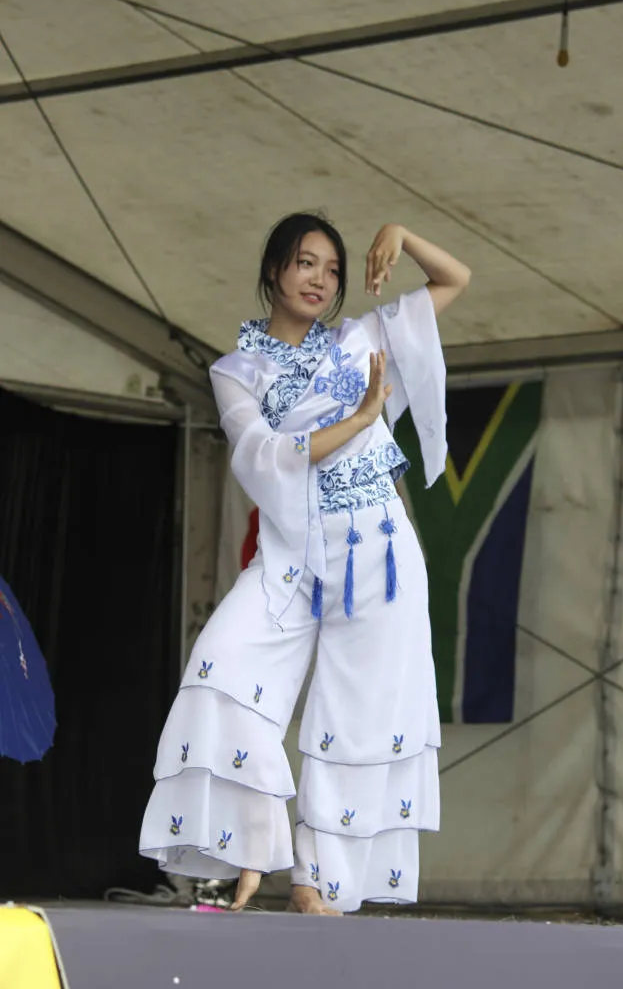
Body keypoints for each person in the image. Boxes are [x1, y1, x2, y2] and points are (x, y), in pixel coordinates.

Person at [139, 213, 471, 914]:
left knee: (351, 715)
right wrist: (357, 420)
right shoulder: (236, 372)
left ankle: (314, 883)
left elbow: (455, 279)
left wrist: (399, 235)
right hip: (292, 553)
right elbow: (260, 457)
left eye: (331, 268)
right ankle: (251, 851)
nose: (319, 279)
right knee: (220, 670)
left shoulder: (361, 339)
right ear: (272, 273)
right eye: (303, 263)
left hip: (378, 547)